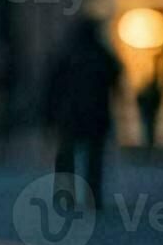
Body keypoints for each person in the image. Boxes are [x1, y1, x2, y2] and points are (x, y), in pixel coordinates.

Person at [44, 19, 120, 206]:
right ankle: (93, 196)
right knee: (94, 159)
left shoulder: (68, 54)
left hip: (71, 116)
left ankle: (65, 195)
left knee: (66, 159)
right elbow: (115, 78)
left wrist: (49, 115)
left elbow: (51, 87)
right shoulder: (100, 54)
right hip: (96, 115)